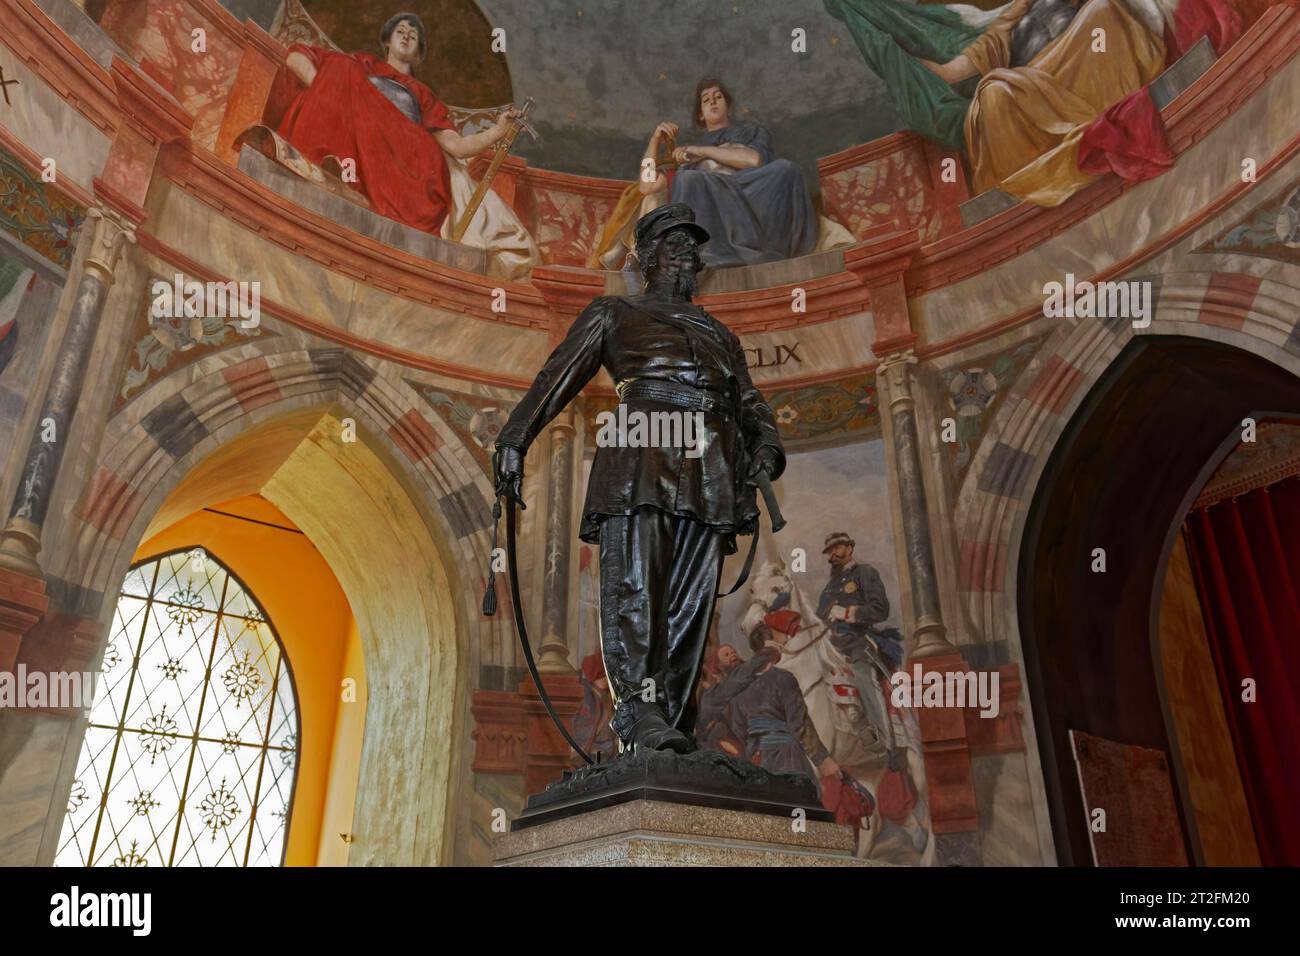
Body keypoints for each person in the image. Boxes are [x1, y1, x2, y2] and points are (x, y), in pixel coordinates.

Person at [493, 202, 785, 754]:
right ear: (646, 257)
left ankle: (673, 722)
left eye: (692, 248)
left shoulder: (719, 332)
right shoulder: (612, 312)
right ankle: (638, 712)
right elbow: (555, 379)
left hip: (710, 468)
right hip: (639, 458)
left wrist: (766, 444)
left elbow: (747, 398)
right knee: (636, 587)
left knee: (692, 603)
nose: (687, 256)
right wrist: (513, 439)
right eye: (674, 246)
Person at [275, 12, 539, 275]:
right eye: (400, 31)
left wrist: (498, 131)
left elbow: (458, 147)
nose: (407, 35)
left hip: (403, 158)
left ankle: (345, 175)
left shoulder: (423, 96)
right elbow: (296, 56)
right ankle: (330, 167)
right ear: (387, 41)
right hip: (352, 131)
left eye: (413, 36)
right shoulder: (360, 64)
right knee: (342, 67)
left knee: (424, 147)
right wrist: (338, 97)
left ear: (419, 54)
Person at [636, 78, 820, 268]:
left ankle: (761, 247)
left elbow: (753, 160)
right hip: (711, 202)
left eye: (718, 97)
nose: (713, 101)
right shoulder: (685, 155)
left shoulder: (751, 132)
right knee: (688, 178)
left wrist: (701, 152)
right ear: (700, 114)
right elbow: (647, 185)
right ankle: (712, 253)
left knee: (786, 169)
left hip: (751, 191)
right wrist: (655, 140)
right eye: (706, 100)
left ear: (727, 105)